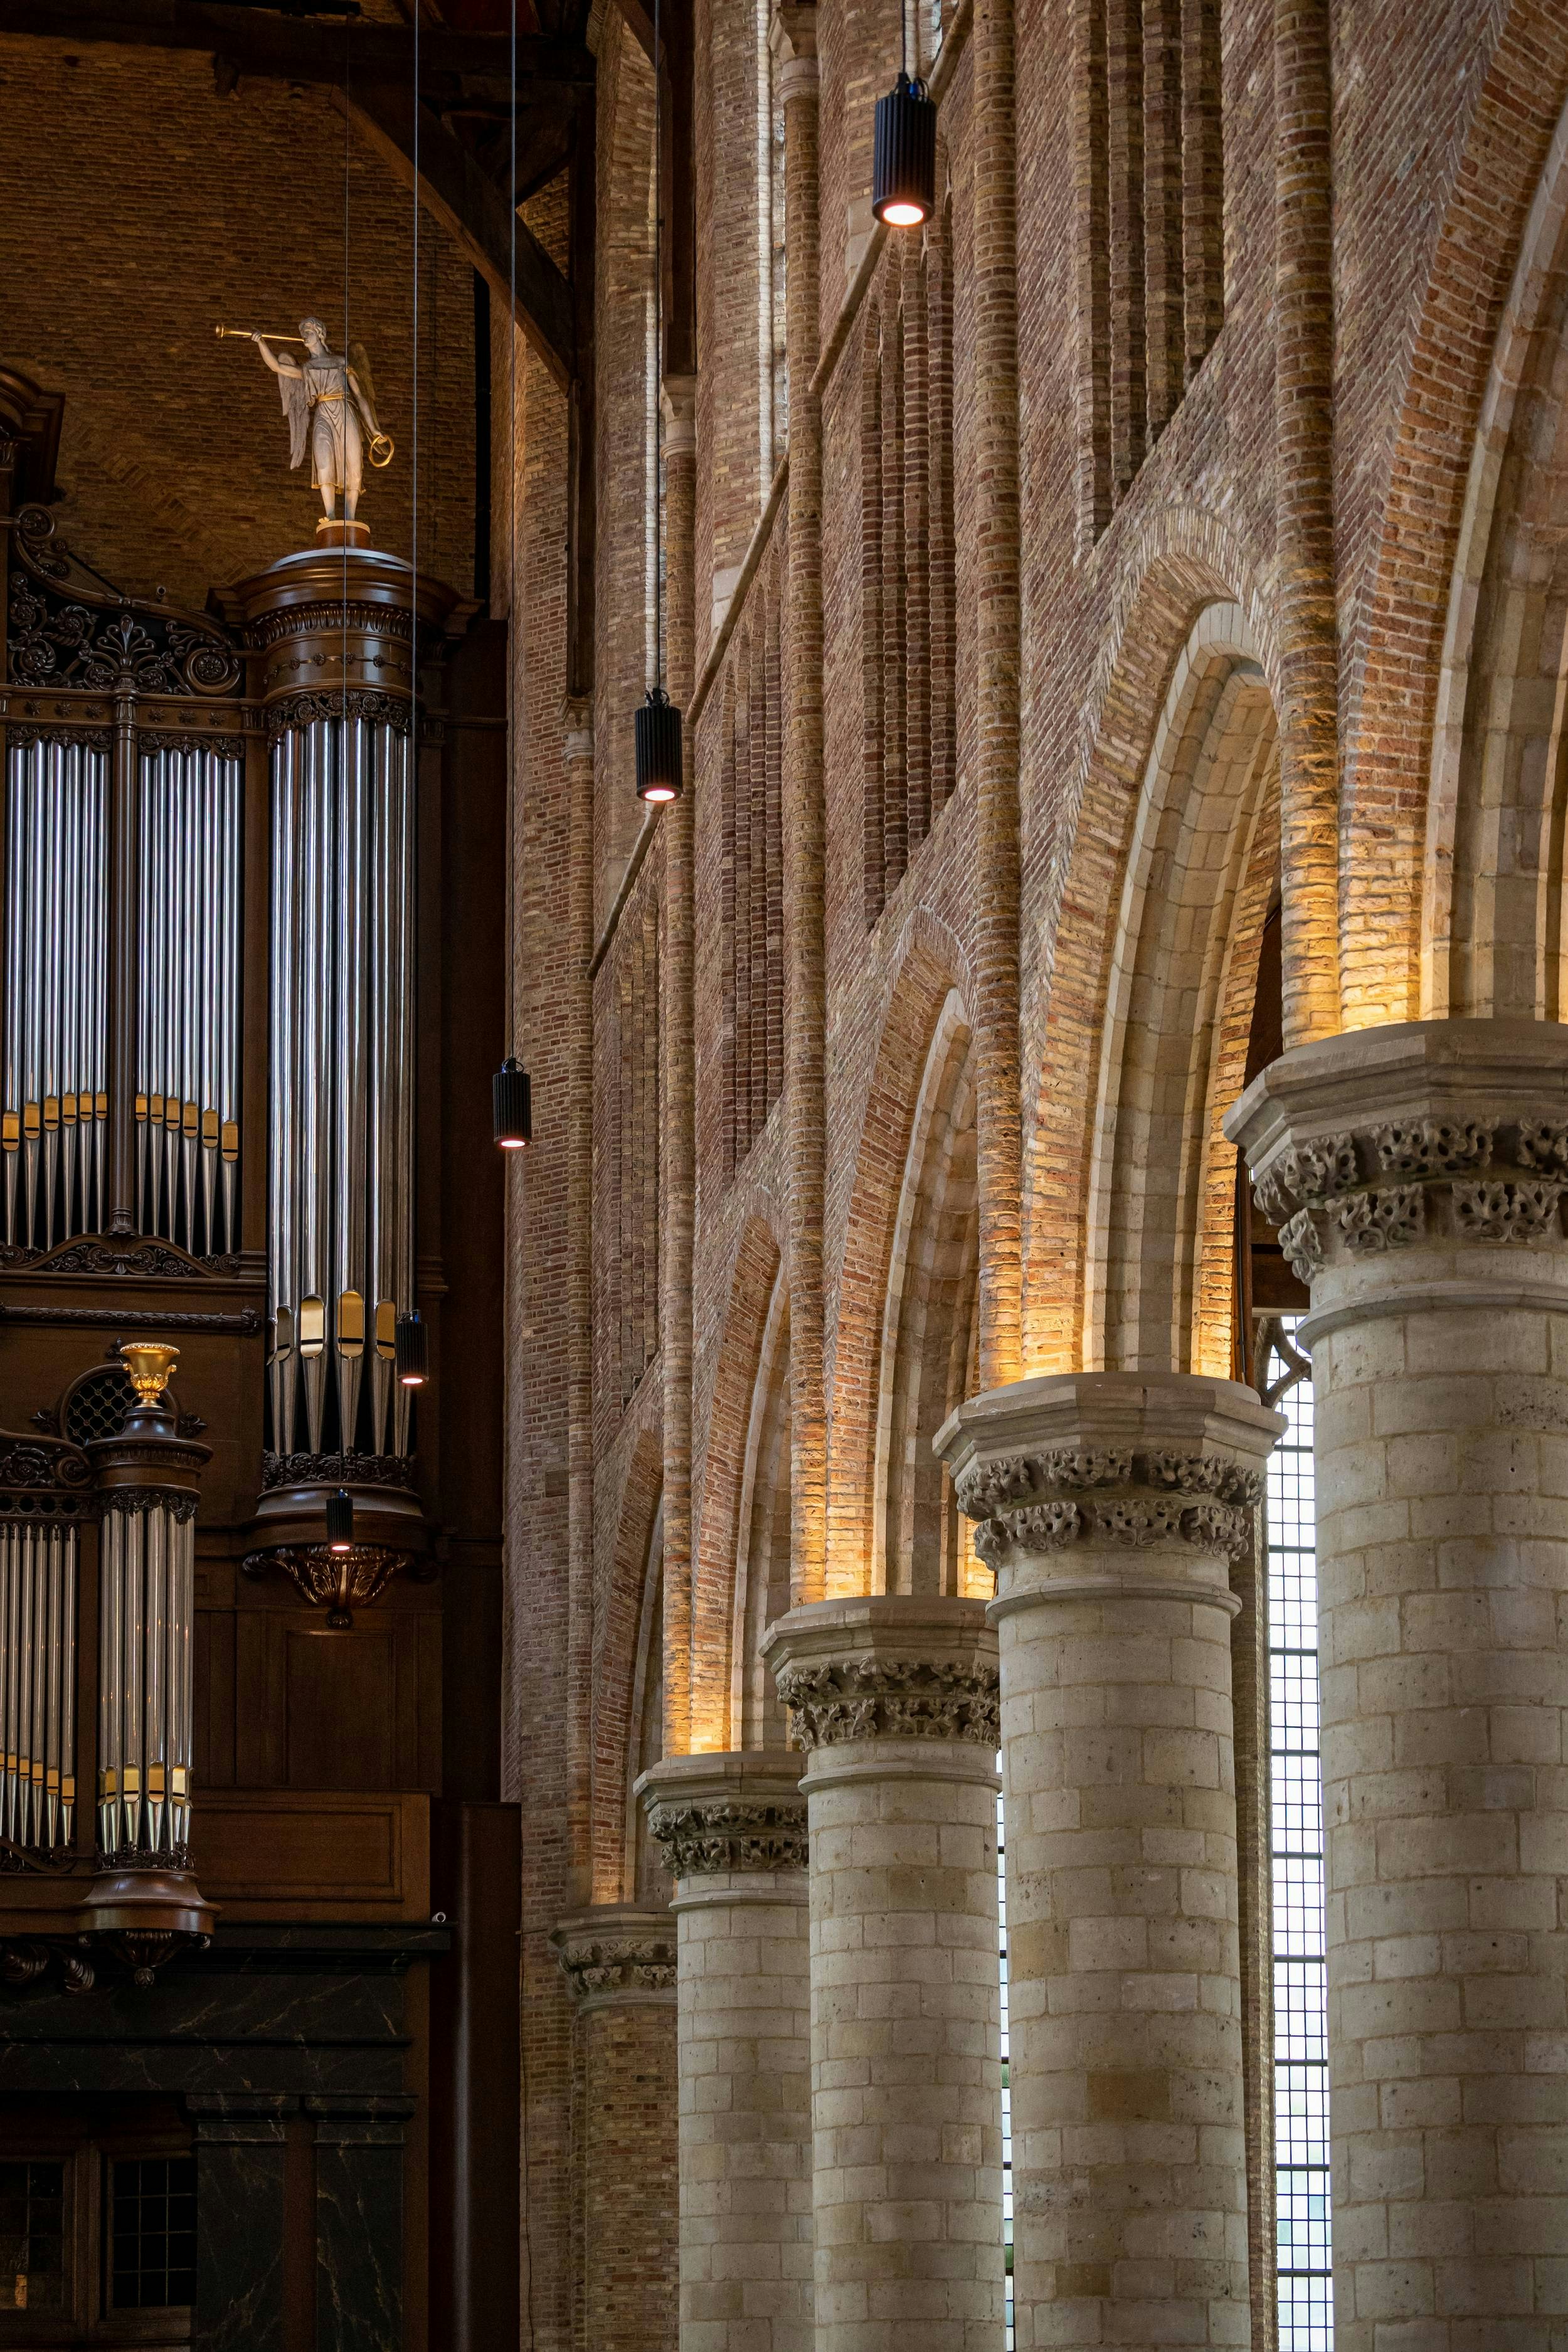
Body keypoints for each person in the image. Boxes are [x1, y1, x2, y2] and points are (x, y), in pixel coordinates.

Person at [252, 319, 385, 524]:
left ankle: (350, 518)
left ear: (320, 333)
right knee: (323, 462)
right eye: (302, 332)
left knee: (354, 463)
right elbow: (277, 366)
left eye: (308, 330)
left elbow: (360, 396)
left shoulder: (342, 362)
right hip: (323, 414)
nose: (304, 335)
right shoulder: (308, 368)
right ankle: (330, 516)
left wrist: (374, 428)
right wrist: (261, 343)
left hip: (345, 411)